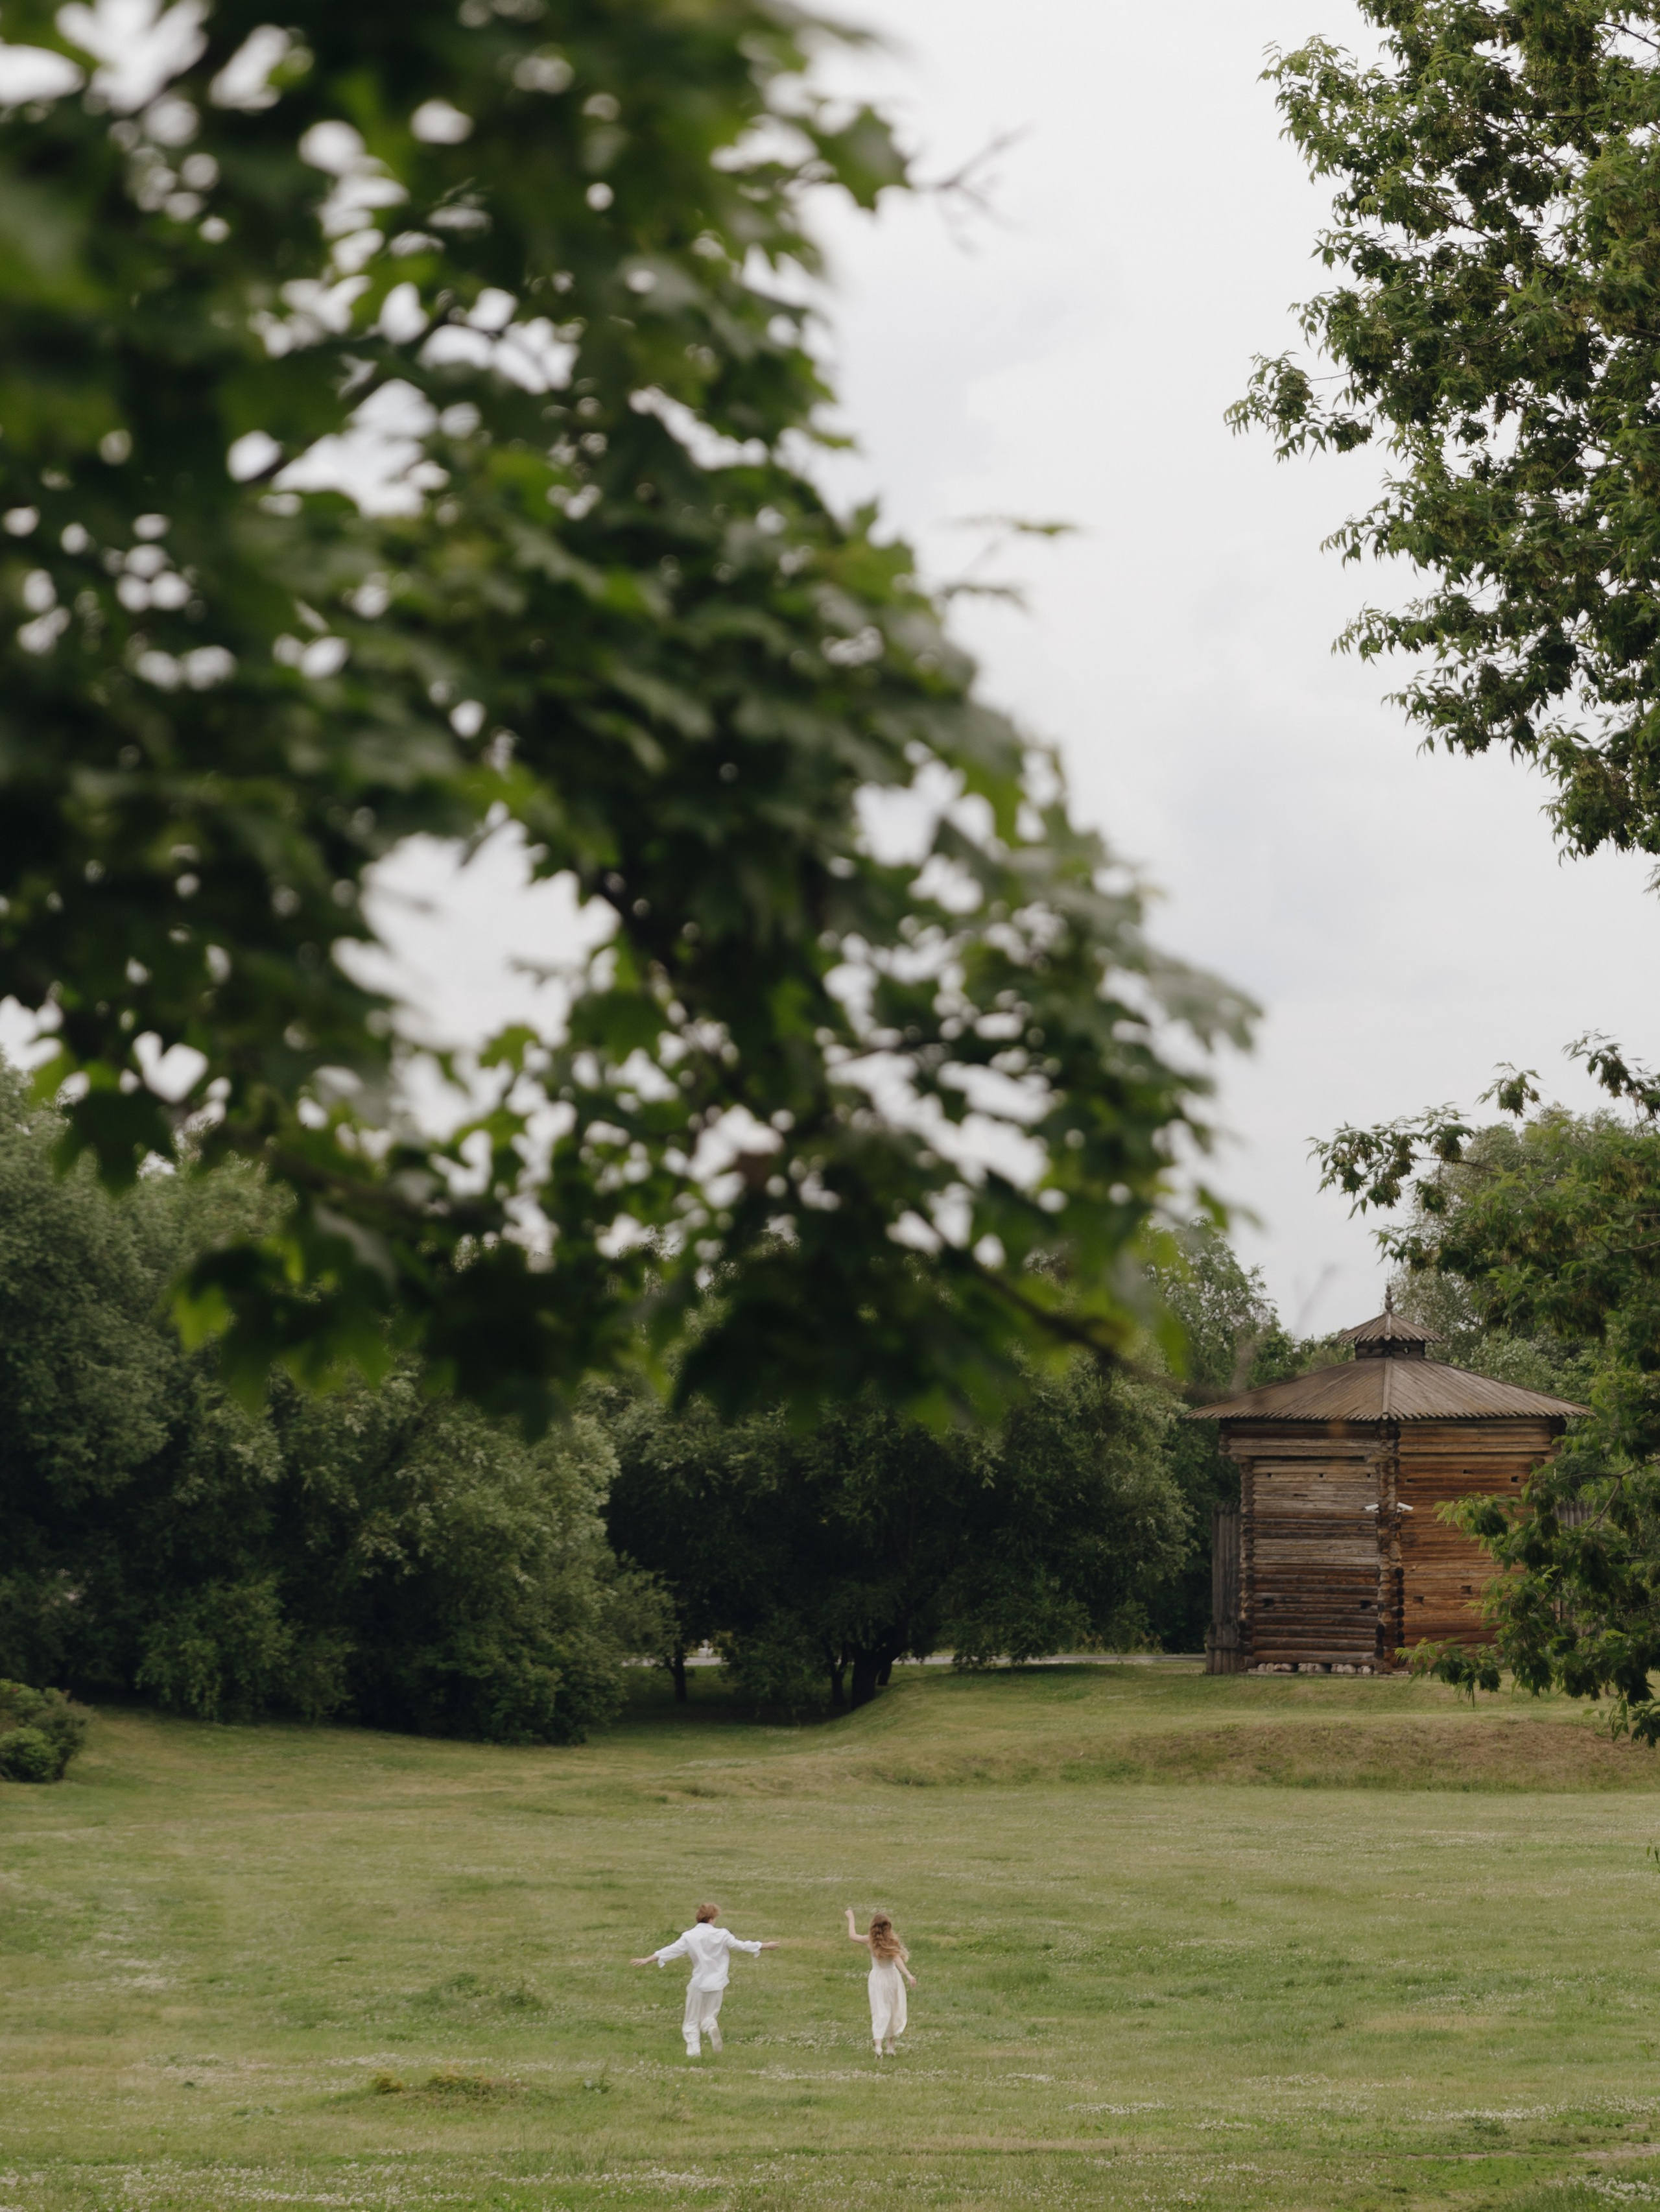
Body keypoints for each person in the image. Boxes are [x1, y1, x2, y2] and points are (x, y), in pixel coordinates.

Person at [632, 1901, 778, 2058]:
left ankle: (694, 2052)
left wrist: (648, 1959)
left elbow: (670, 1950)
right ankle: (710, 2026)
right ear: (713, 1918)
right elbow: (741, 1946)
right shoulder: (722, 1934)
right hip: (717, 1983)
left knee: (692, 2020)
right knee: (709, 2016)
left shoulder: (689, 1936)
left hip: (699, 1983)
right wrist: (764, 1945)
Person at [845, 1906, 916, 2057]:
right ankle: (890, 2046)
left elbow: (852, 1936)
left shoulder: (870, 1940)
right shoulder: (891, 1941)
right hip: (892, 1977)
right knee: (892, 2008)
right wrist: (908, 1975)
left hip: (877, 1978)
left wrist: (851, 1918)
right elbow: (897, 1960)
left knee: (879, 2010)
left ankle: (878, 2047)